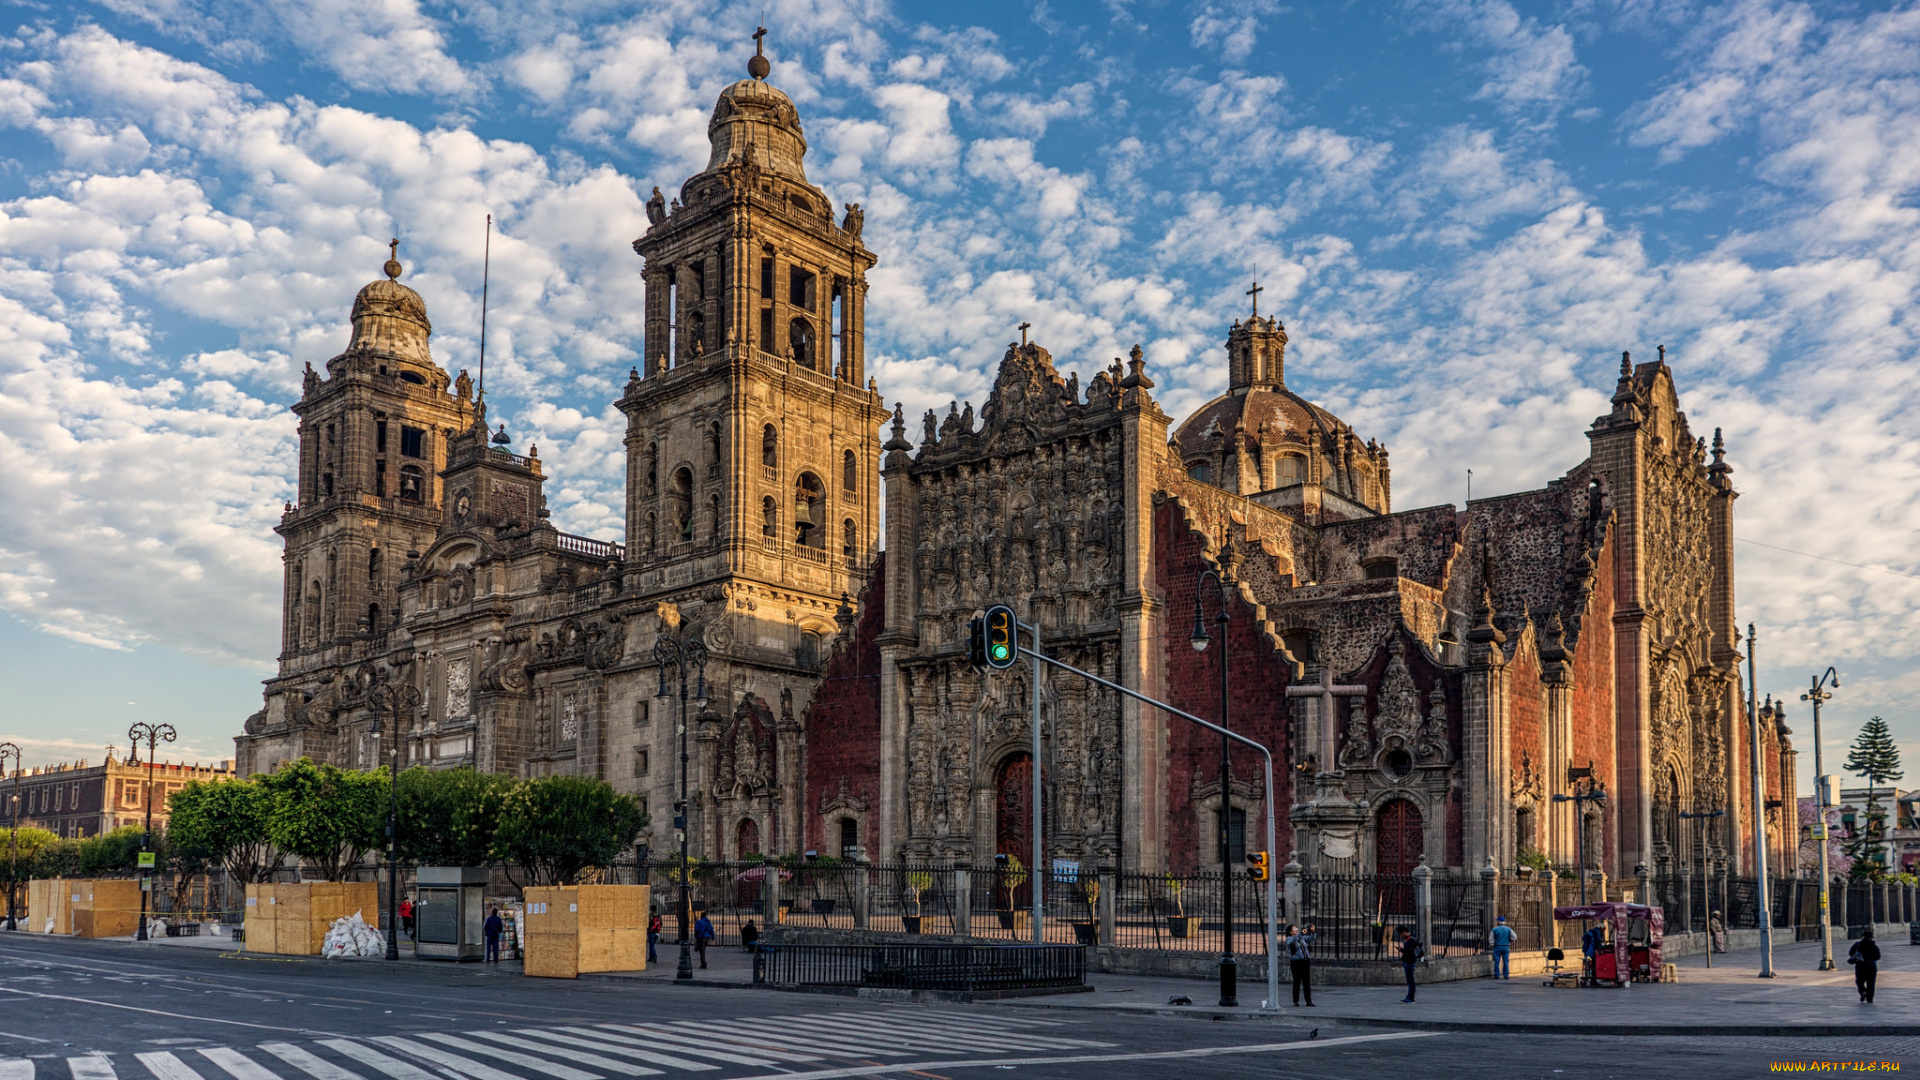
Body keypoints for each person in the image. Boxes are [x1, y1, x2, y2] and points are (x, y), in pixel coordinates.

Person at [1285, 922, 1316, 1006]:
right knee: (1297, 981)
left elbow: (1310, 939)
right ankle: (1296, 1000)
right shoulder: (1289, 939)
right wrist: (1301, 933)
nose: (1297, 929)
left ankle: (1308, 1001)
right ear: (1291, 932)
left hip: (1305, 961)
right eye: (1295, 929)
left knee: (1306, 982)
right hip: (1296, 962)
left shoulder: (1301, 938)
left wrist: (1313, 932)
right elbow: (1294, 939)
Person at [1848, 928, 1881, 1003]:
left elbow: (1851, 953)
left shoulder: (1857, 944)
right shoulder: (1874, 946)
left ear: (1863, 936)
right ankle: (1870, 998)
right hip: (1871, 967)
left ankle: (1863, 991)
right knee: (1871, 983)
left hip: (1860, 966)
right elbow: (1878, 956)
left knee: (1859, 981)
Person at [1397, 925, 1423, 1003]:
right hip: (1408, 961)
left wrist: (1401, 950)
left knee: (1411, 981)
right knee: (1410, 980)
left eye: (1401, 934)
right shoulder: (1409, 939)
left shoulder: (1411, 940)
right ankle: (1410, 996)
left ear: (1404, 932)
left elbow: (1409, 952)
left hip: (1410, 962)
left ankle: (1410, 997)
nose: (1400, 936)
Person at [1489, 915, 1514, 979]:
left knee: (1497, 961)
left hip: (1497, 946)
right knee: (1505, 961)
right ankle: (1506, 974)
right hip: (1506, 946)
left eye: (1497, 921)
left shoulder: (1494, 929)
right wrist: (1510, 940)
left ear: (1499, 922)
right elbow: (1514, 937)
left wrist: (1492, 944)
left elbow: (1491, 939)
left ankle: (1497, 974)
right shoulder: (1508, 929)